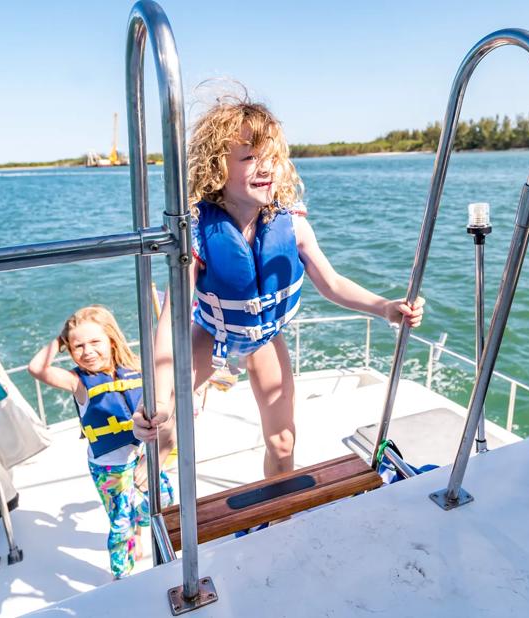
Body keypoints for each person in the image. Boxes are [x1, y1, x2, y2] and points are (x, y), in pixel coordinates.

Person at [133, 98, 424, 479]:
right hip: (212, 331)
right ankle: (167, 436)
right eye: (250, 157)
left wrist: (384, 306)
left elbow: (332, 283)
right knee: (165, 409)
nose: (266, 166)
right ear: (216, 167)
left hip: (265, 337)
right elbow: (172, 323)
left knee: (284, 442)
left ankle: (277, 511)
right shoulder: (199, 236)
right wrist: (155, 400)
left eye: (271, 156)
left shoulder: (293, 225)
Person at [28, 305, 175, 579]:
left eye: (95, 341)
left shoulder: (136, 369)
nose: (87, 351)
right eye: (77, 346)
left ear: (111, 339)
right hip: (109, 469)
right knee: (120, 524)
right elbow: (36, 368)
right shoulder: (77, 382)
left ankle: (139, 532)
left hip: (143, 458)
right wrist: (61, 338)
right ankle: (122, 577)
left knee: (162, 499)